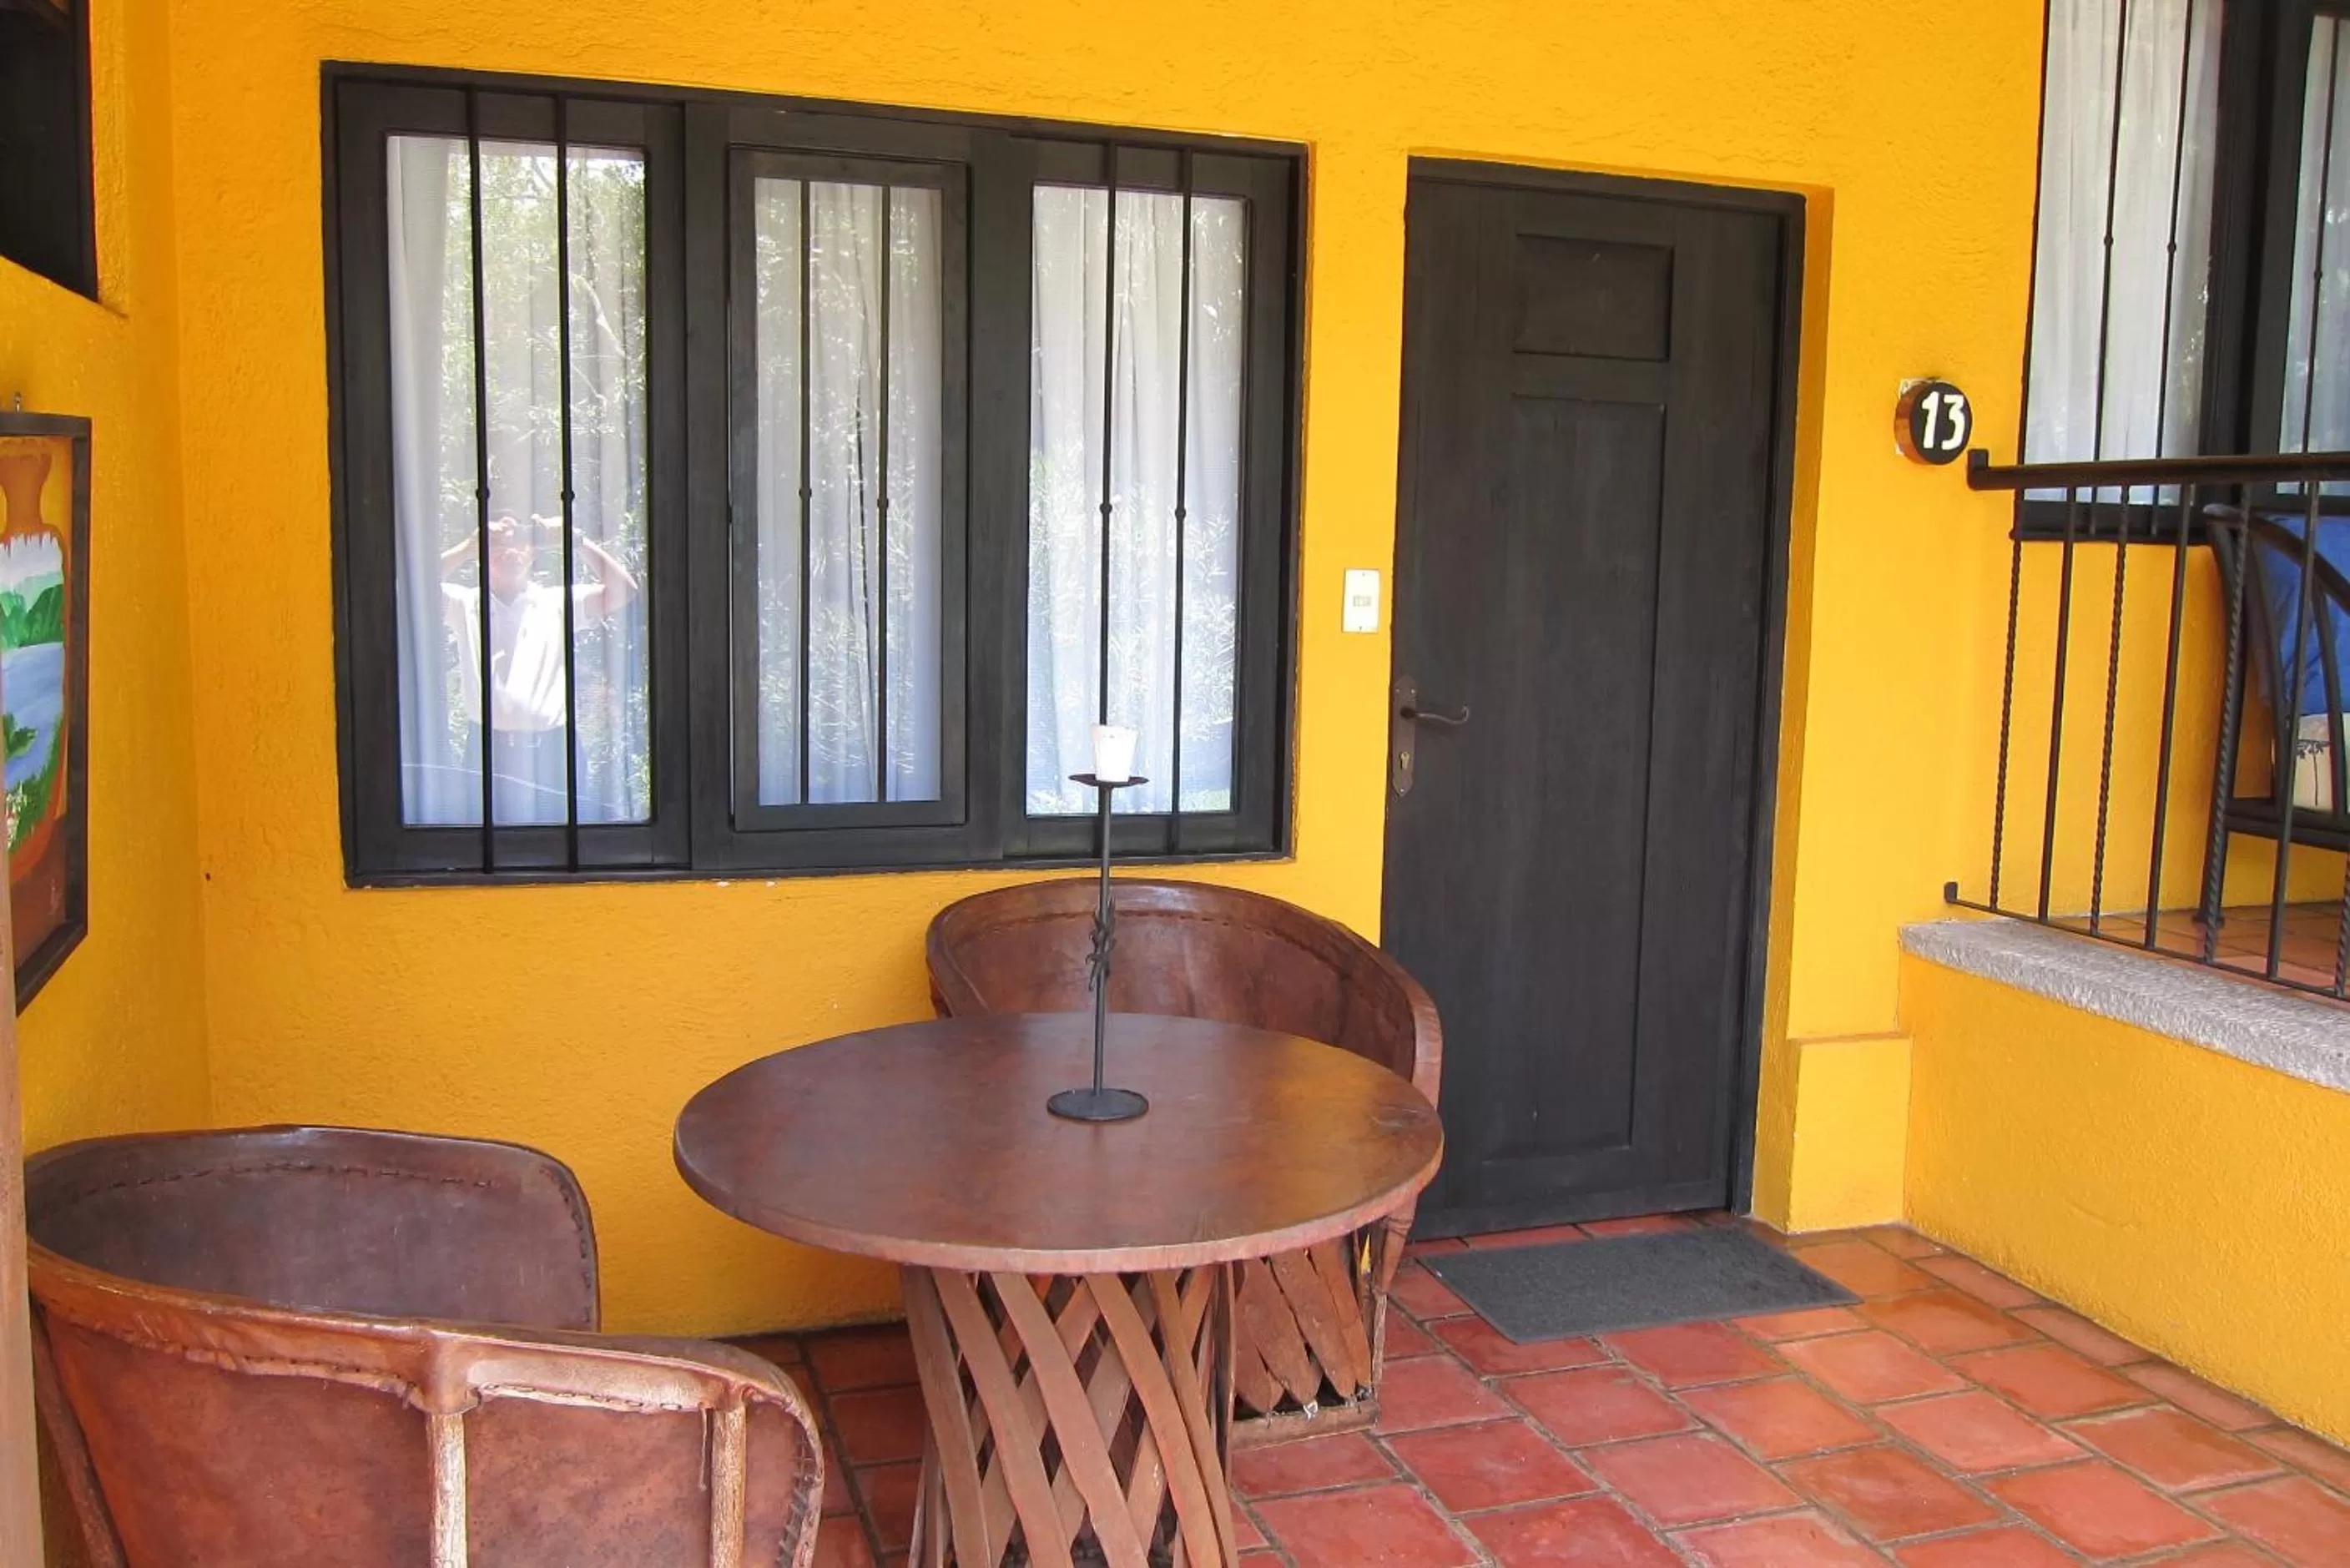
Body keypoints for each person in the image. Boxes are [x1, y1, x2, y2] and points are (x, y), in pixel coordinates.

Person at [439, 513, 640, 819]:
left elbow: (625, 590)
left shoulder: (556, 603)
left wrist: (576, 540)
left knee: (561, 849)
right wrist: (468, 547)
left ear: (533, 552)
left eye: (522, 541)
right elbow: (408, 584)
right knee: (485, 853)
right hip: (488, 751)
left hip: (552, 752)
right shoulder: (466, 603)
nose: (512, 550)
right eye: (499, 543)